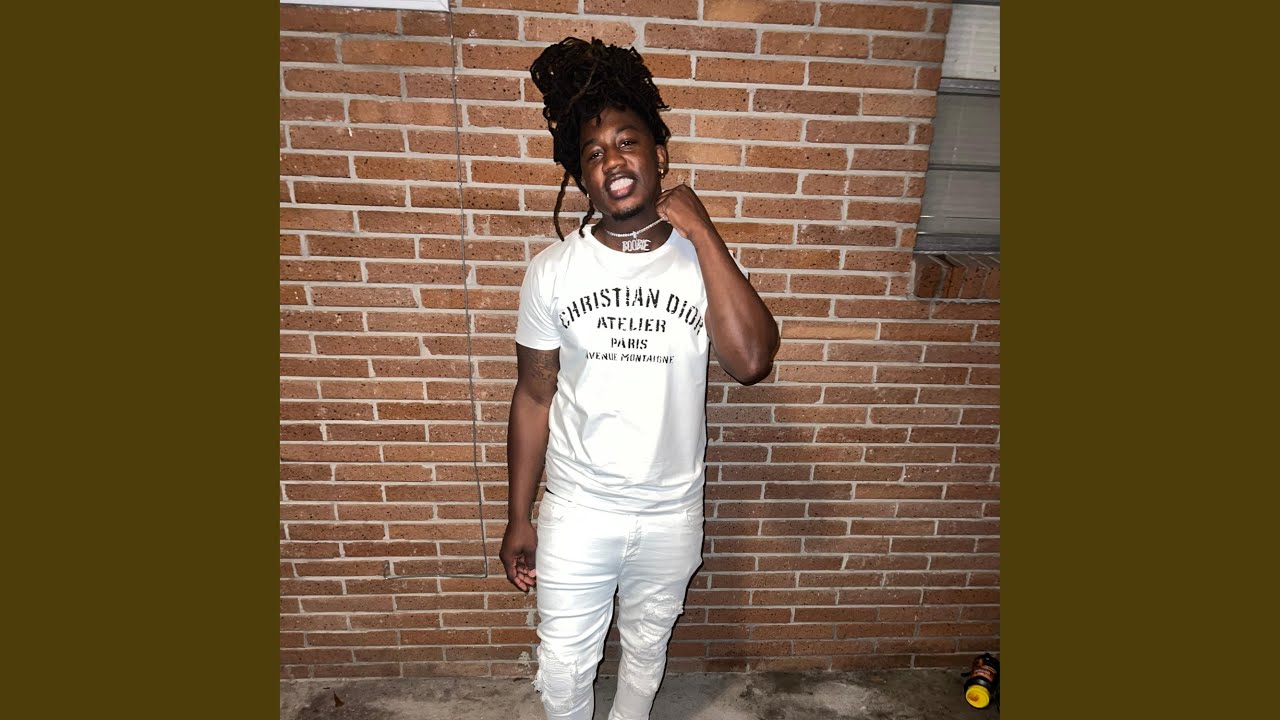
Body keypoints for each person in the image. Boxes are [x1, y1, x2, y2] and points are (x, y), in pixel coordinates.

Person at [499, 37, 780, 720]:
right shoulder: (553, 270)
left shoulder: (700, 262)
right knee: (564, 665)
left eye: (627, 142)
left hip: (671, 510)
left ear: (658, 155)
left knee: (648, 649)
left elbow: (751, 362)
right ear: (582, 177)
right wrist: (518, 516)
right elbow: (534, 396)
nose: (612, 161)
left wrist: (703, 232)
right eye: (594, 153)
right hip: (578, 509)